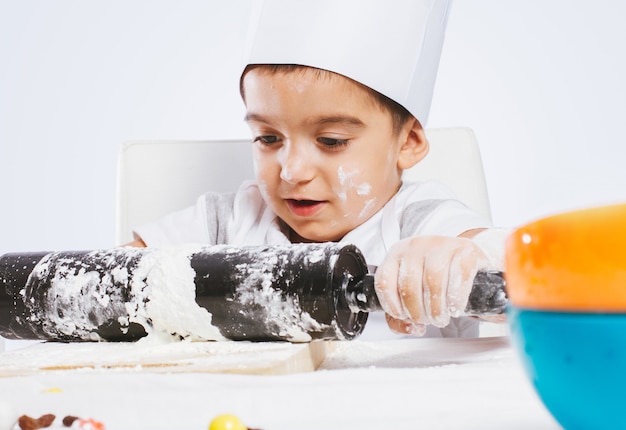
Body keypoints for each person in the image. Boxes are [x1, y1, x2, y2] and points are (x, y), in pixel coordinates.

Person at [127, 0, 508, 339]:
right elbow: (114, 275)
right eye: (268, 138)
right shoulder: (230, 221)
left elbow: (515, 269)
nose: (292, 171)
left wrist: (460, 260)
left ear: (407, 142)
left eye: (331, 141)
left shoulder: (419, 219)